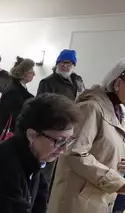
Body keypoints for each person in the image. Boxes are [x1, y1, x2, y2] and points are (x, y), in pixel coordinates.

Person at [48, 56, 125, 213]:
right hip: (79, 197)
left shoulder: (121, 110)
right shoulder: (90, 107)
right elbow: (74, 153)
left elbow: (111, 146)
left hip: (100, 195)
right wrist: (114, 180)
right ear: (117, 84)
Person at [37, 49, 86, 195]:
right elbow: (41, 106)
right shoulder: (48, 82)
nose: (65, 66)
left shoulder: (78, 80)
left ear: (73, 65)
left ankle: (53, 194)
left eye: (69, 63)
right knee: (48, 163)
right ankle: (41, 195)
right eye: (62, 62)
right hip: (54, 129)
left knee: (62, 165)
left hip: (71, 128)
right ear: (57, 63)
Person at [0, 57, 35, 142]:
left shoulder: (19, 87)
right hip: (5, 132)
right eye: (31, 72)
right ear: (23, 73)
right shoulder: (13, 90)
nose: (34, 74)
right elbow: (15, 114)